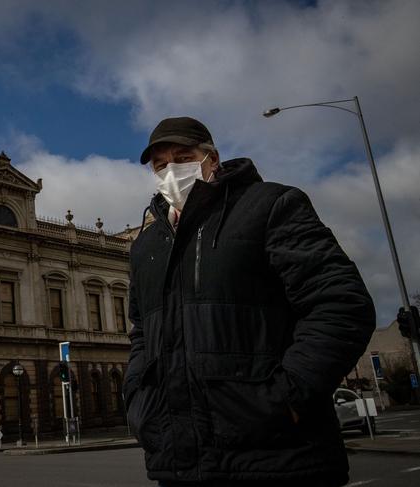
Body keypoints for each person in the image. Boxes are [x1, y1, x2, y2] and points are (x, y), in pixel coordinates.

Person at [124, 116, 376, 486]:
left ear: (212, 157)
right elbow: (143, 334)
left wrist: (286, 400)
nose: (172, 172)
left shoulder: (271, 205)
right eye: (161, 165)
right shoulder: (147, 246)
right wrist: (140, 406)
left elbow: (340, 303)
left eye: (183, 157)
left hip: (280, 460)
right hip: (180, 464)